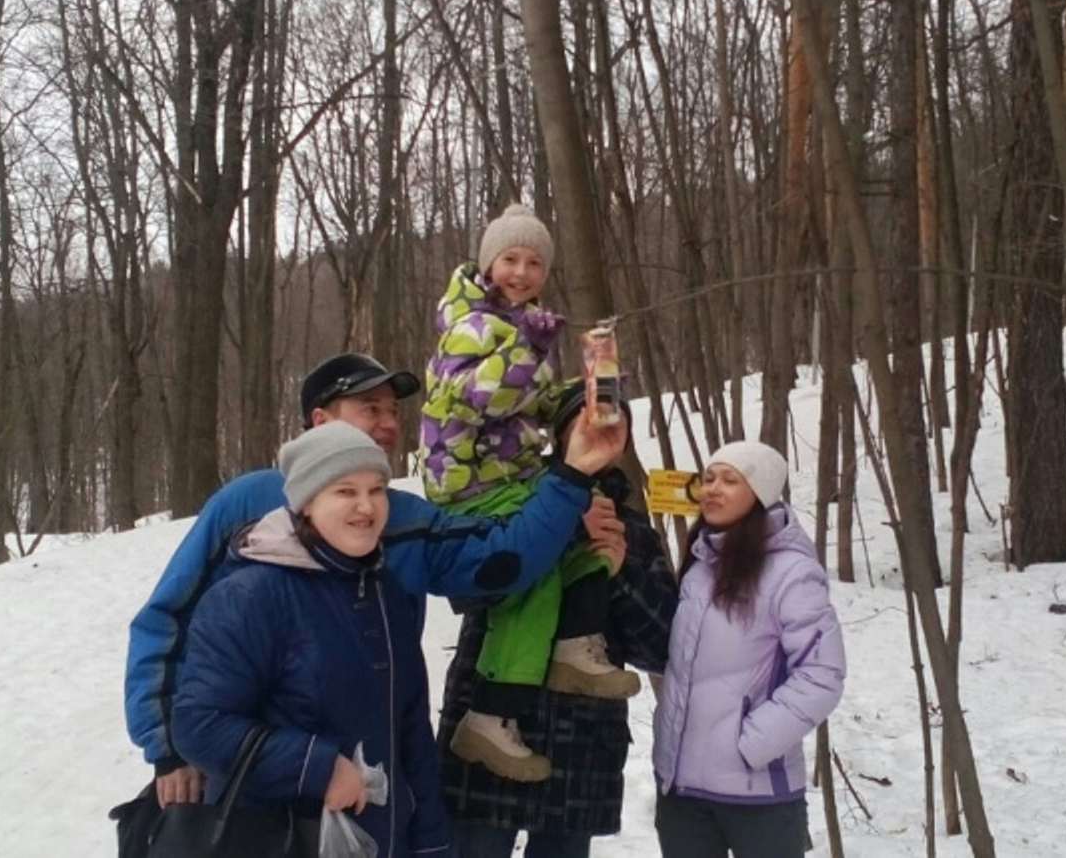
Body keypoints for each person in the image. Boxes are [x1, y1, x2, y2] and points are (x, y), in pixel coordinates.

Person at [125, 351, 629, 808]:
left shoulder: (403, 517)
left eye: (393, 411)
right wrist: (168, 748)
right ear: (320, 420)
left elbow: (502, 561)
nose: (389, 424)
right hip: (254, 786)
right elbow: (167, 621)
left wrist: (571, 476)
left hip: (372, 781)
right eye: (370, 408)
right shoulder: (246, 503)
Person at [419, 203, 637, 783]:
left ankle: (571, 646)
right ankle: (492, 711)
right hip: (467, 479)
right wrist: (528, 349)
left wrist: (589, 392)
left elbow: (531, 404)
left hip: (507, 474)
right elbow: (477, 399)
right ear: (489, 263)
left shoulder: (521, 324)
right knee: (537, 561)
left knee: (581, 520)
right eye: (511, 259)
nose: (521, 272)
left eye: (535, 263)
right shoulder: (470, 325)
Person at [173, 422, 447, 856]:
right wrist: (317, 767)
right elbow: (198, 725)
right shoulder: (250, 596)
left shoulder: (387, 594)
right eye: (345, 491)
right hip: (278, 839)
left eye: (377, 490)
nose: (366, 506)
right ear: (306, 503)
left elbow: (411, 731)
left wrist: (433, 843)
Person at [435, 383, 678, 858]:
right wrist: (557, 533)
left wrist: (617, 572)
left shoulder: (635, 532)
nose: (604, 430)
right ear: (562, 431)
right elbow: (463, 590)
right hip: (488, 729)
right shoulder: (507, 504)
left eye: (617, 424)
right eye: (591, 418)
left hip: (581, 745)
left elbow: (662, 646)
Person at [651, 441, 847, 858]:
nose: (712, 489)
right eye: (708, 479)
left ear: (760, 492)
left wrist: (751, 744)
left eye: (730, 480)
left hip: (759, 797)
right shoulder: (700, 567)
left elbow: (821, 674)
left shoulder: (791, 572)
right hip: (682, 793)